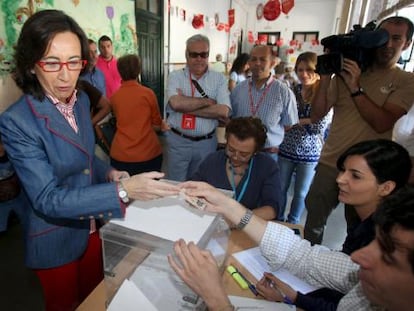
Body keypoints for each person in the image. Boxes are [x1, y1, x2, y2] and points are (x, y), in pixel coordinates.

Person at [0, 10, 180, 311]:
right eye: (52, 62)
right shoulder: (18, 121)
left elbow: (86, 158)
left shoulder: (80, 100)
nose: (65, 75)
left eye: (74, 62)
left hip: (91, 227)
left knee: (95, 297)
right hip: (54, 237)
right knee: (66, 305)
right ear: (32, 65)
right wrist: (125, 191)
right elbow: (47, 198)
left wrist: (110, 173)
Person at [169, 182, 414, 311]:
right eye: (375, 242)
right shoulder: (368, 288)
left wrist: (217, 301)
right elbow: (302, 256)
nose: (359, 256)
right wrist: (229, 207)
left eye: (388, 257)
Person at [257, 139, 411, 310]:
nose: (340, 179)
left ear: (386, 187)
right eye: (343, 171)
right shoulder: (362, 222)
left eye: (355, 176)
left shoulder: (384, 233)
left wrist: (296, 298)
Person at [304, 16, 414, 245]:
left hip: (371, 170)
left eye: (396, 38)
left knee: (362, 231)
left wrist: (355, 87)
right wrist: (325, 77)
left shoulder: (406, 80)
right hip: (330, 162)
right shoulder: (347, 72)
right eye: (383, 37)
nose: (388, 44)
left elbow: (382, 122)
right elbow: (316, 115)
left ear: (407, 44)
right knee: (313, 222)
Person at [165, 34, 231, 181]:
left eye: (203, 54)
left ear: (208, 55)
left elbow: (223, 111)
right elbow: (175, 104)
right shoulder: (175, 76)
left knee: (200, 187)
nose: (199, 59)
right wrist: (207, 102)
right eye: (194, 54)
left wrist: (185, 105)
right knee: (174, 187)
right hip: (178, 142)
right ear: (187, 55)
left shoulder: (219, 79)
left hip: (206, 145)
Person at [277, 52, 332, 223]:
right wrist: (307, 120)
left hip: (310, 152)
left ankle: (293, 223)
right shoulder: (291, 91)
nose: (303, 74)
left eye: (308, 70)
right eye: (300, 70)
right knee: (281, 188)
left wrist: (295, 121)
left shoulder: (324, 93)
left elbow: (319, 127)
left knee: (301, 192)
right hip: (286, 148)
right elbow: (281, 119)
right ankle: (278, 219)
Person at [191, 117, 281, 221]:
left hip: (251, 229)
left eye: (244, 154)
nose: (235, 156)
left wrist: (239, 220)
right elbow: (192, 191)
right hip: (212, 223)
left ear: (256, 151)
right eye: (231, 149)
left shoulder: (267, 166)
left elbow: (272, 209)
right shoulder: (212, 160)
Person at [230, 45, 299, 162]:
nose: (257, 63)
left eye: (262, 59)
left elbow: (288, 124)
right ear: (249, 63)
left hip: (268, 154)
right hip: (240, 154)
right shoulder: (238, 89)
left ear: (272, 63)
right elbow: (232, 118)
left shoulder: (283, 91)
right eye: (253, 59)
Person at [110, 54, 166, 175]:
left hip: (120, 154)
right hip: (148, 153)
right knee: (150, 191)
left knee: (124, 192)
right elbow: (157, 125)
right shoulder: (148, 94)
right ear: (139, 70)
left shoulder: (114, 97)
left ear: (119, 71)